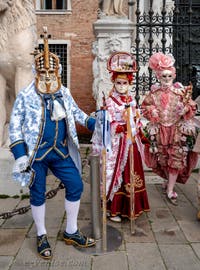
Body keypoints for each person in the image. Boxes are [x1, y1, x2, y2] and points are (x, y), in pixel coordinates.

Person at [9, 28, 96, 260]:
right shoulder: (26, 95)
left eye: (51, 71)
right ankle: (41, 234)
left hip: (60, 151)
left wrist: (93, 121)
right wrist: (19, 154)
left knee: (76, 184)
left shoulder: (64, 92)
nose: (48, 76)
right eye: (43, 72)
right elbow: (15, 125)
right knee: (37, 192)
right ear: (37, 72)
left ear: (58, 72)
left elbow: (77, 113)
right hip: (35, 155)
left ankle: (71, 231)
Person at [92, 51, 150, 222]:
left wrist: (139, 128)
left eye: (125, 83)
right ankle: (114, 209)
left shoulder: (131, 100)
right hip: (117, 145)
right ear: (114, 82)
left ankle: (132, 206)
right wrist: (120, 126)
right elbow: (105, 125)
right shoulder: (109, 101)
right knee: (116, 173)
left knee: (133, 173)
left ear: (129, 83)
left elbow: (136, 119)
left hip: (131, 143)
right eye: (119, 82)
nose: (122, 85)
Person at [141, 52, 198, 205]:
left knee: (175, 159)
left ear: (173, 76)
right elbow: (145, 106)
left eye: (169, 76)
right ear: (159, 77)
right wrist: (151, 110)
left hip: (177, 130)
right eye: (163, 76)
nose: (166, 79)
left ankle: (170, 189)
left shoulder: (180, 93)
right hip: (160, 131)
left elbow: (192, 105)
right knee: (163, 159)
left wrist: (185, 110)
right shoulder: (154, 94)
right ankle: (168, 182)